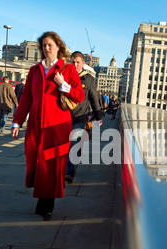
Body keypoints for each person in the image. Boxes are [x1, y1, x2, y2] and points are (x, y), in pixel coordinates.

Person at [11, 32, 85, 221]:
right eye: (44, 45)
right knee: (37, 163)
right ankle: (43, 202)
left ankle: (47, 206)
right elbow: (26, 98)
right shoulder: (35, 71)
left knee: (52, 166)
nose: (47, 48)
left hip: (58, 127)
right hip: (36, 126)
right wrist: (17, 121)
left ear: (58, 47)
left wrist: (63, 85)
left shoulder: (67, 69)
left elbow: (79, 95)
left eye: (50, 44)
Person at [65, 51, 103, 184]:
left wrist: (98, 116)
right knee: (68, 146)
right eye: (73, 62)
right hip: (65, 116)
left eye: (78, 62)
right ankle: (70, 168)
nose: (75, 64)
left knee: (73, 145)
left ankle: (69, 173)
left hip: (81, 117)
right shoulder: (66, 77)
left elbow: (93, 98)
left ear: (83, 63)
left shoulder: (88, 79)